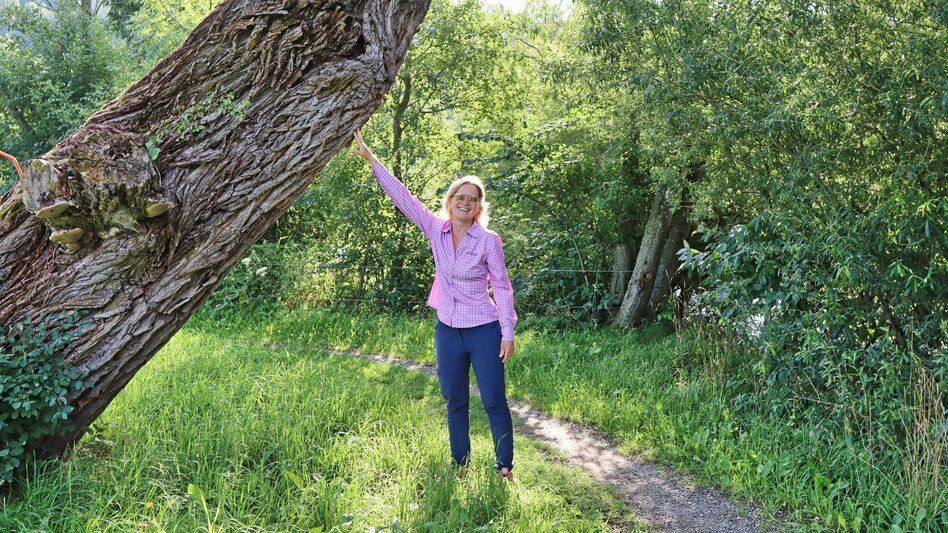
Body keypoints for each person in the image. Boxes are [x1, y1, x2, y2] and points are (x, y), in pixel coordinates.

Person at [351, 129, 518, 482]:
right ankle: (460, 465)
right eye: (460, 196)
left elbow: (502, 287)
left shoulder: (488, 241)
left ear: (478, 207)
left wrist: (507, 332)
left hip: (484, 331)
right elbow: (405, 199)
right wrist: (371, 159)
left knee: (493, 400)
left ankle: (504, 466)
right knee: (455, 401)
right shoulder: (435, 229)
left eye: (472, 199)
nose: (465, 202)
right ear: (450, 200)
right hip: (447, 330)